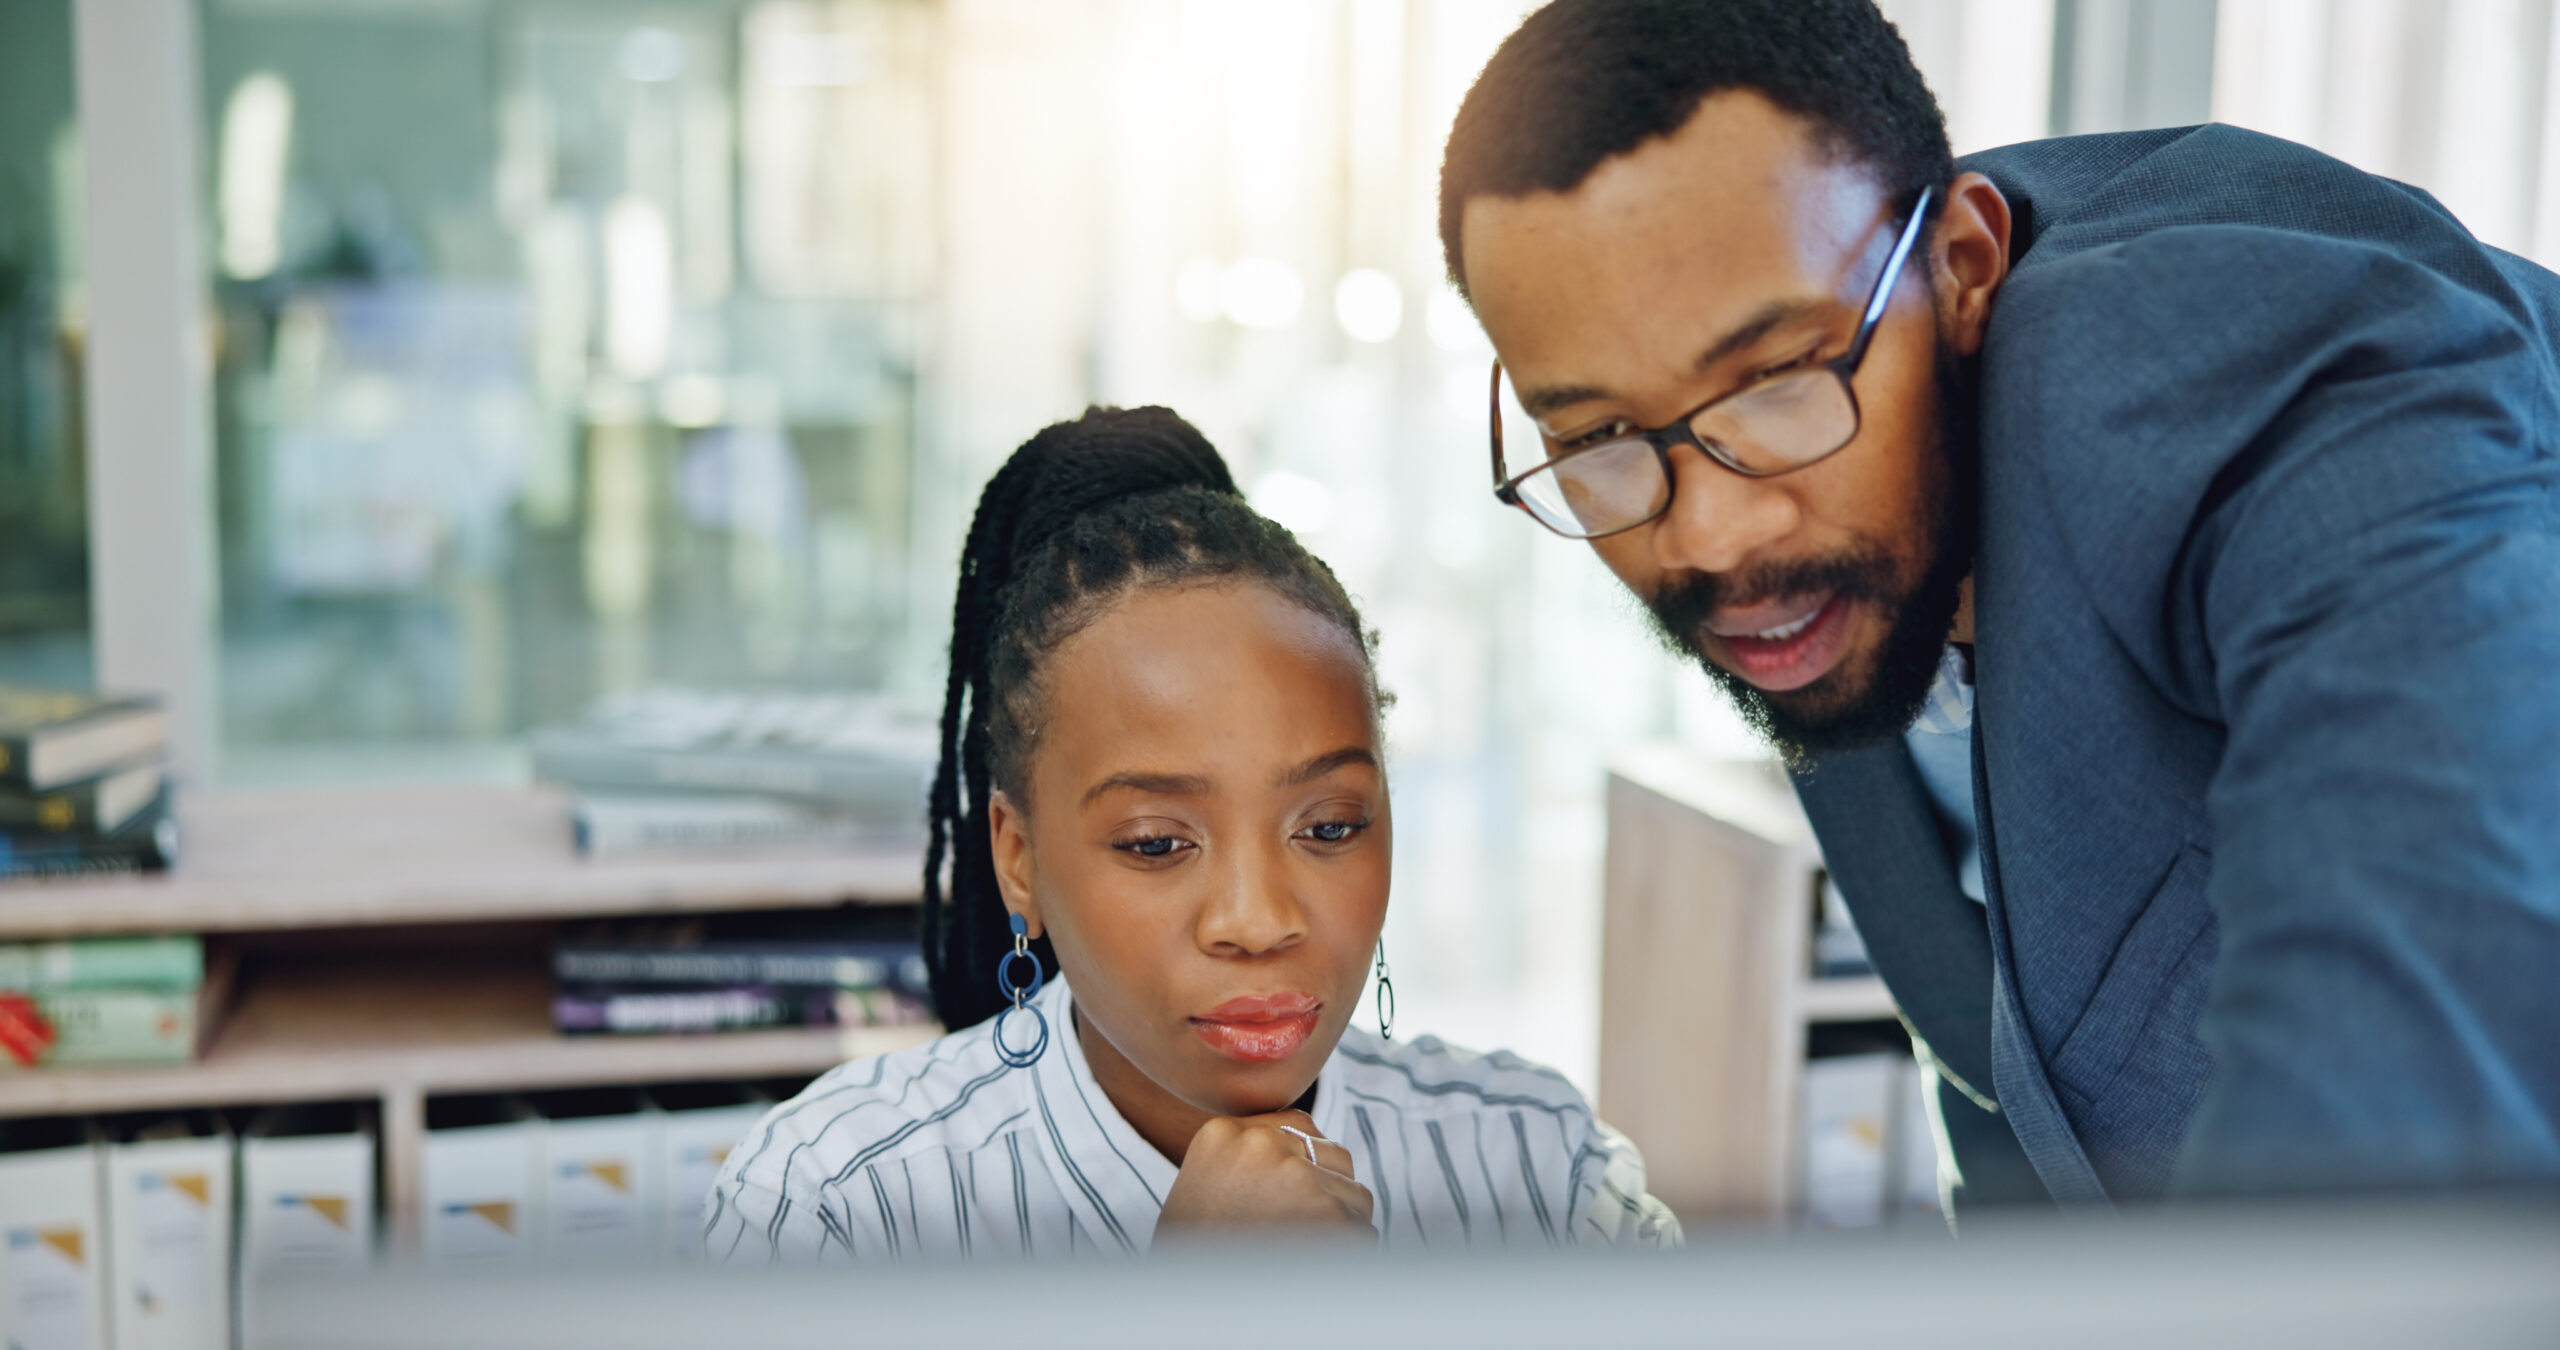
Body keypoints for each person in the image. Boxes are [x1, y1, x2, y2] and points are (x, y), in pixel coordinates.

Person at [1439, 0, 2560, 1209]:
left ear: (1963, 266)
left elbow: (2408, 1000)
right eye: (1597, 433)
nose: (1708, 535)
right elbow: (2017, 1095)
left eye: (1772, 379)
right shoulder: (1839, 542)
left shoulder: (2227, 384)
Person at [705, 407, 1679, 1259]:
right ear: (1018, 859)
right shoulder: (834, 1202)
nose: (1257, 921)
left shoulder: (1539, 1167)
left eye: (1329, 826)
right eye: (1158, 843)